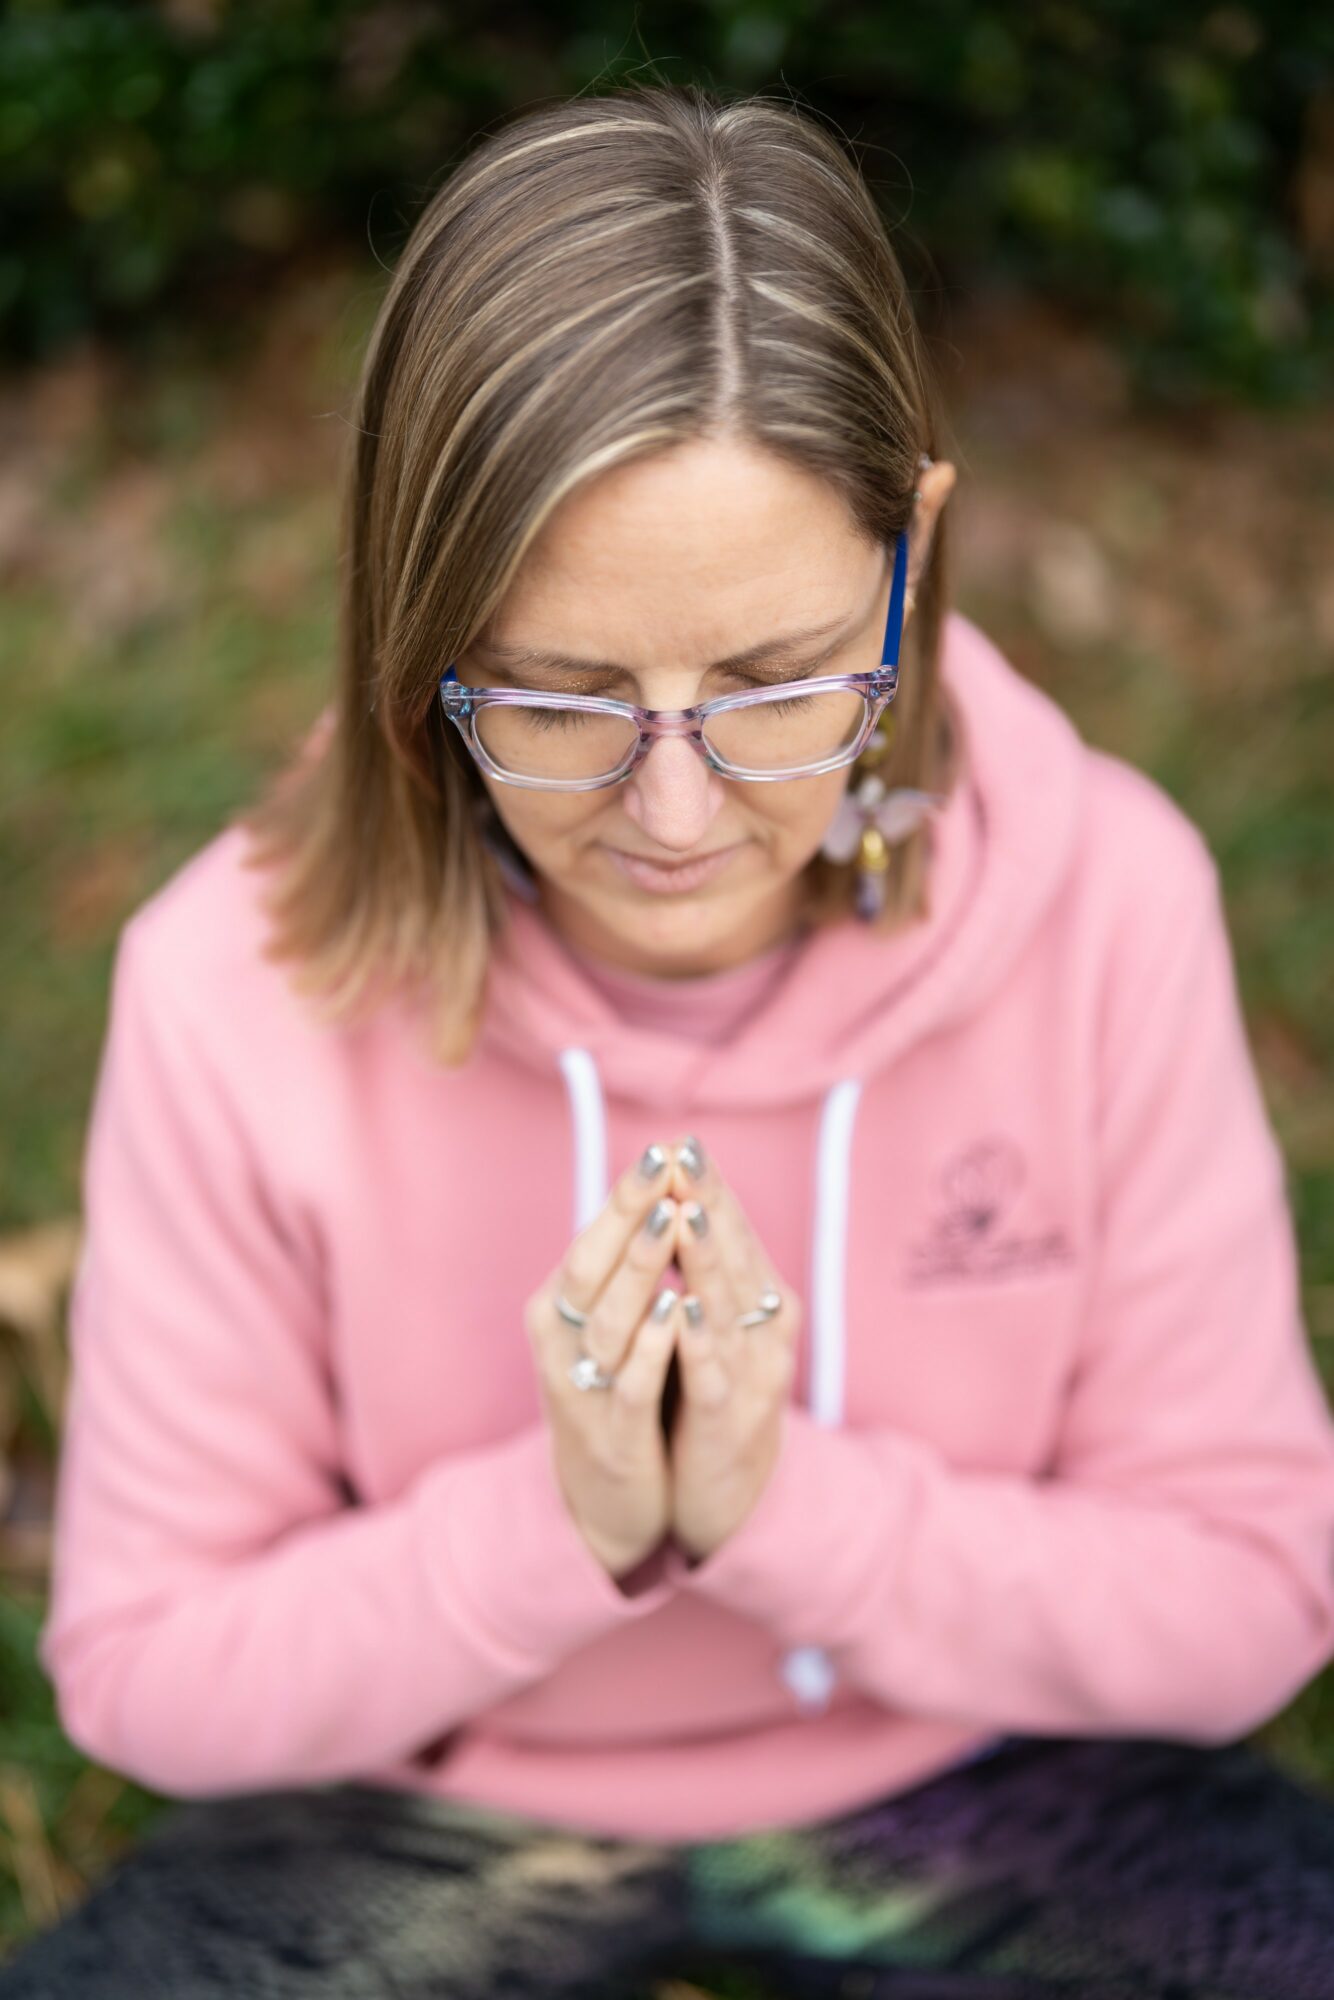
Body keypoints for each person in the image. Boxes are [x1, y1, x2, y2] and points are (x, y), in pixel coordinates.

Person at [5, 76, 1334, 2000]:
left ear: (912, 550)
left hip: (991, 1773)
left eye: (778, 682)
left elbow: (1254, 1593)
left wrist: (783, 1511)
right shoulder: (224, 985)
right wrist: (567, 1519)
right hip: (417, 1808)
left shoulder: (1109, 903)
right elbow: (148, 1672)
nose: (678, 815)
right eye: (557, 699)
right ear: (415, 623)